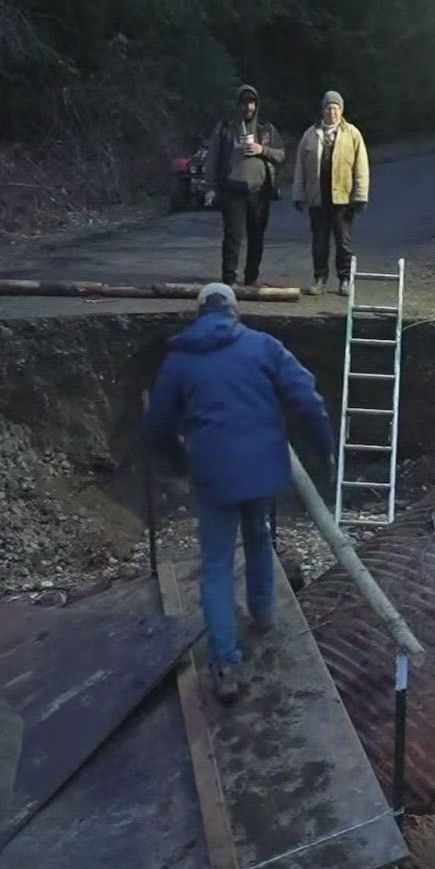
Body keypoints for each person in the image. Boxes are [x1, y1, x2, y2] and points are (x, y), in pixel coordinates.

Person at [143, 283, 335, 705]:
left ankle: (225, 662)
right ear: (235, 311)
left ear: (199, 314)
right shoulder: (264, 347)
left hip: (214, 474)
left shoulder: (179, 360)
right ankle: (264, 614)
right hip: (263, 468)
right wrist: (323, 447)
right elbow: (306, 397)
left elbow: (157, 425)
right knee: (260, 535)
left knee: (215, 563)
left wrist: (180, 461)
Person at [202, 84, 286, 287]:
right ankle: (229, 279)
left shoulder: (266, 128)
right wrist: (210, 187)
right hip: (232, 189)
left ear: (257, 105)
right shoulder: (226, 127)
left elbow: (281, 154)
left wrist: (262, 149)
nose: (248, 107)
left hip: (259, 191)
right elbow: (212, 157)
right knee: (233, 237)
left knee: (256, 237)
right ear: (238, 104)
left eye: (252, 102)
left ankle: (251, 279)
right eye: (244, 102)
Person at [293, 90, 370, 296]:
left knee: (343, 242)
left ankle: (345, 280)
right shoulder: (310, 134)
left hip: (342, 199)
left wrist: (360, 195)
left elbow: (361, 167)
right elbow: (300, 167)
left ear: (341, 110)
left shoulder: (352, 134)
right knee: (319, 241)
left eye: (336, 108)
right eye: (329, 108)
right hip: (317, 198)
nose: (332, 112)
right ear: (323, 110)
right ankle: (320, 279)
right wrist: (298, 194)